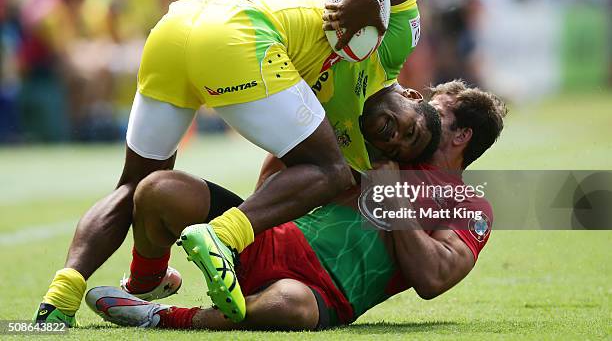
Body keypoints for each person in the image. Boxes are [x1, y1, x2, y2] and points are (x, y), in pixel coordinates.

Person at [34, 0, 422, 324]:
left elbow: (281, 178)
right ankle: (222, 236)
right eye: (413, 131)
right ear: (413, 97)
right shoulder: (389, 50)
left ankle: (70, 295)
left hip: (177, 26)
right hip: (235, 33)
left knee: (134, 184)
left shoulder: (358, 142)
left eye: (403, 148)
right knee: (330, 170)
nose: (397, 141)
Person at [85, 80, 507, 330]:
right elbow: (284, 167)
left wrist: (391, 194)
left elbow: (433, 279)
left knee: (290, 306)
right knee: (159, 189)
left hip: (320, 293)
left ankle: (164, 317)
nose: (419, 114)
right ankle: (150, 278)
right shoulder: (383, 142)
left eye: (436, 111)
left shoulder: (469, 205)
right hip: (266, 238)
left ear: (461, 136)